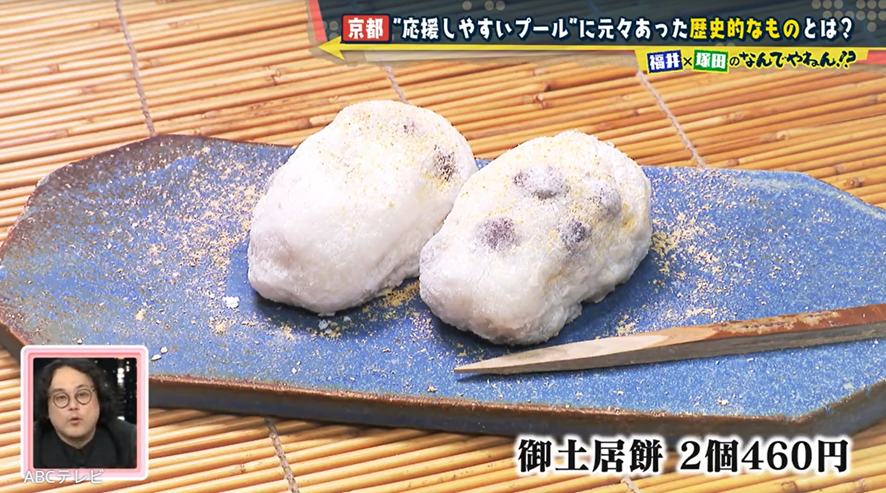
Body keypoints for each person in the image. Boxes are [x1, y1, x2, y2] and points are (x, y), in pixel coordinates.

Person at [32, 358, 137, 469]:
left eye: (82, 394)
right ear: (46, 407)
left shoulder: (132, 440)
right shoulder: (27, 446)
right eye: (61, 397)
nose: (73, 406)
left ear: (100, 399)